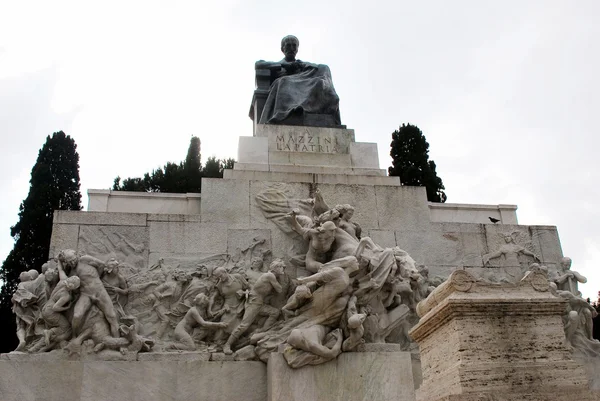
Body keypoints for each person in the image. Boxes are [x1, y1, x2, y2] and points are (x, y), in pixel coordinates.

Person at [256, 35, 341, 126]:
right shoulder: (278, 64)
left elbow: (318, 69)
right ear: (282, 49)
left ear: (297, 49)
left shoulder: (301, 64)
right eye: (288, 45)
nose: (291, 48)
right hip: (285, 84)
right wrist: (284, 66)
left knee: (321, 79)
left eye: (294, 46)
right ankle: (289, 112)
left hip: (304, 83)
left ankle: (305, 108)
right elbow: (258, 64)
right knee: (283, 82)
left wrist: (303, 67)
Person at [223, 259, 285, 354]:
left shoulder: (268, 275)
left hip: (259, 302)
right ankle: (227, 345)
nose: (283, 269)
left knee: (275, 312)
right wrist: (282, 277)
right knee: (244, 325)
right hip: (254, 302)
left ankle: (262, 331)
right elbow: (279, 289)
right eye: (281, 267)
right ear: (276, 268)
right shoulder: (270, 275)